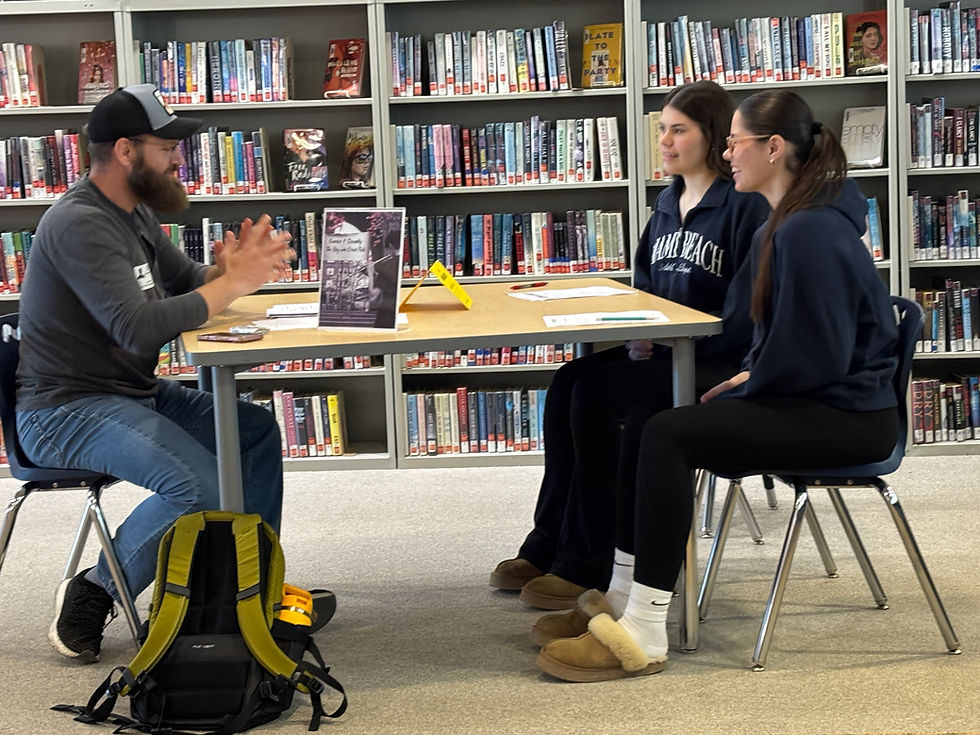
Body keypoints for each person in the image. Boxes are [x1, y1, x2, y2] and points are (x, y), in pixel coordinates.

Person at [535, 89, 900, 682]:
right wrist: (754, 374)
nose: (729, 153)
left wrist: (748, 382)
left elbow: (823, 354)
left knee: (669, 434)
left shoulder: (808, 231)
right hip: (813, 397)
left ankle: (644, 631)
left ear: (774, 148)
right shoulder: (787, 223)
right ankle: (624, 598)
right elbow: (786, 339)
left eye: (736, 141)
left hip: (848, 416)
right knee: (652, 420)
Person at [16, 84, 293, 663]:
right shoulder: (79, 224)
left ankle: (245, 590)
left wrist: (225, 270)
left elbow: (184, 279)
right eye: (166, 146)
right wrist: (227, 286)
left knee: (255, 432)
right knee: (196, 488)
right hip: (65, 409)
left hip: (129, 394)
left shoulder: (132, 213)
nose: (177, 158)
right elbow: (137, 328)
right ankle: (95, 592)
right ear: (125, 151)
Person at [489, 81, 770, 610]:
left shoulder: (742, 205)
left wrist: (664, 333)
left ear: (710, 135)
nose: (664, 141)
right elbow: (644, 286)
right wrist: (637, 327)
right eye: (661, 129)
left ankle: (585, 560)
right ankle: (549, 543)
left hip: (714, 361)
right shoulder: (666, 202)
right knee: (571, 380)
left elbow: (744, 311)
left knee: (604, 397)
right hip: (664, 351)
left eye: (677, 130)